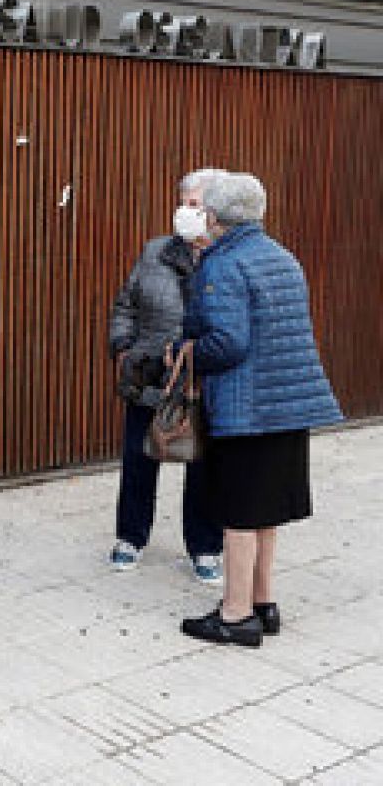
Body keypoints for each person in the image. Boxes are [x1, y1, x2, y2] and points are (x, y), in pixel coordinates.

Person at [172, 172, 342, 648]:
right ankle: (264, 603)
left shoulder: (223, 264)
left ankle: (236, 614)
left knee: (239, 517)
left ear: (216, 216)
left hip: (247, 409)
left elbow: (228, 343)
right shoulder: (282, 256)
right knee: (266, 512)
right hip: (287, 405)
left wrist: (185, 352)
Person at [107, 169, 225, 582]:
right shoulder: (155, 251)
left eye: (194, 205)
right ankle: (130, 538)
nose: (184, 211)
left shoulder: (226, 258)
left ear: (215, 212)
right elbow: (126, 303)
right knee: (139, 460)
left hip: (201, 379)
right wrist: (123, 348)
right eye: (183, 202)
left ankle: (206, 547)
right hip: (149, 374)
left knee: (204, 467)